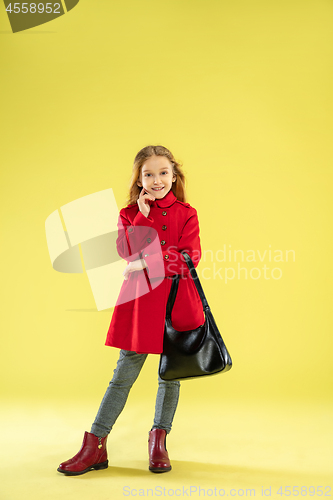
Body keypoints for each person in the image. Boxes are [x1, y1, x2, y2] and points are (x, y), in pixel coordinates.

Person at [57, 145, 205, 476]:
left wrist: (145, 263)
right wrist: (142, 214)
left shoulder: (187, 212)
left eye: (163, 173)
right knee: (123, 375)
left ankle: (158, 442)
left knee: (170, 376)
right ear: (139, 179)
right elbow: (125, 250)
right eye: (148, 174)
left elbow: (189, 257)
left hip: (177, 301)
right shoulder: (129, 214)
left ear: (174, 175)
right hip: (141, 304)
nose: (157, 180)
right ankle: (94, 445)